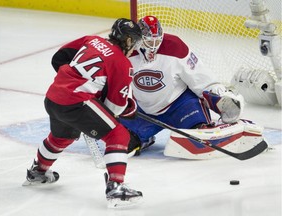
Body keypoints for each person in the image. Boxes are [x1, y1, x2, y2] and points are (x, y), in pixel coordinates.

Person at [23, 18, 143, 208]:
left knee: (61, 137)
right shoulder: (122, 63)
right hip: (76, 102)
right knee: (118, 134)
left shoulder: (92, 40)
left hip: (54, 96)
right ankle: (116, 188)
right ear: (128, 40)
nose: (134, 47)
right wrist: (129, 108)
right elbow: (114, 109)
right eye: (134, 42)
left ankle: (38, 171)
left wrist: (75, 81)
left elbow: (59, 57)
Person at [119, 15, 251, 157]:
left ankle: (201, 125)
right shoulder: (127, 51)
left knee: (199, 138)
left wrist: (219, 93)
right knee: (122, 144)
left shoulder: (175, 46)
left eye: (157, 40)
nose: (153, 46)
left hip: (180, 106)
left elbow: (199, 76)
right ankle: (144, 138)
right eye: (149, 41)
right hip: (144, 110)